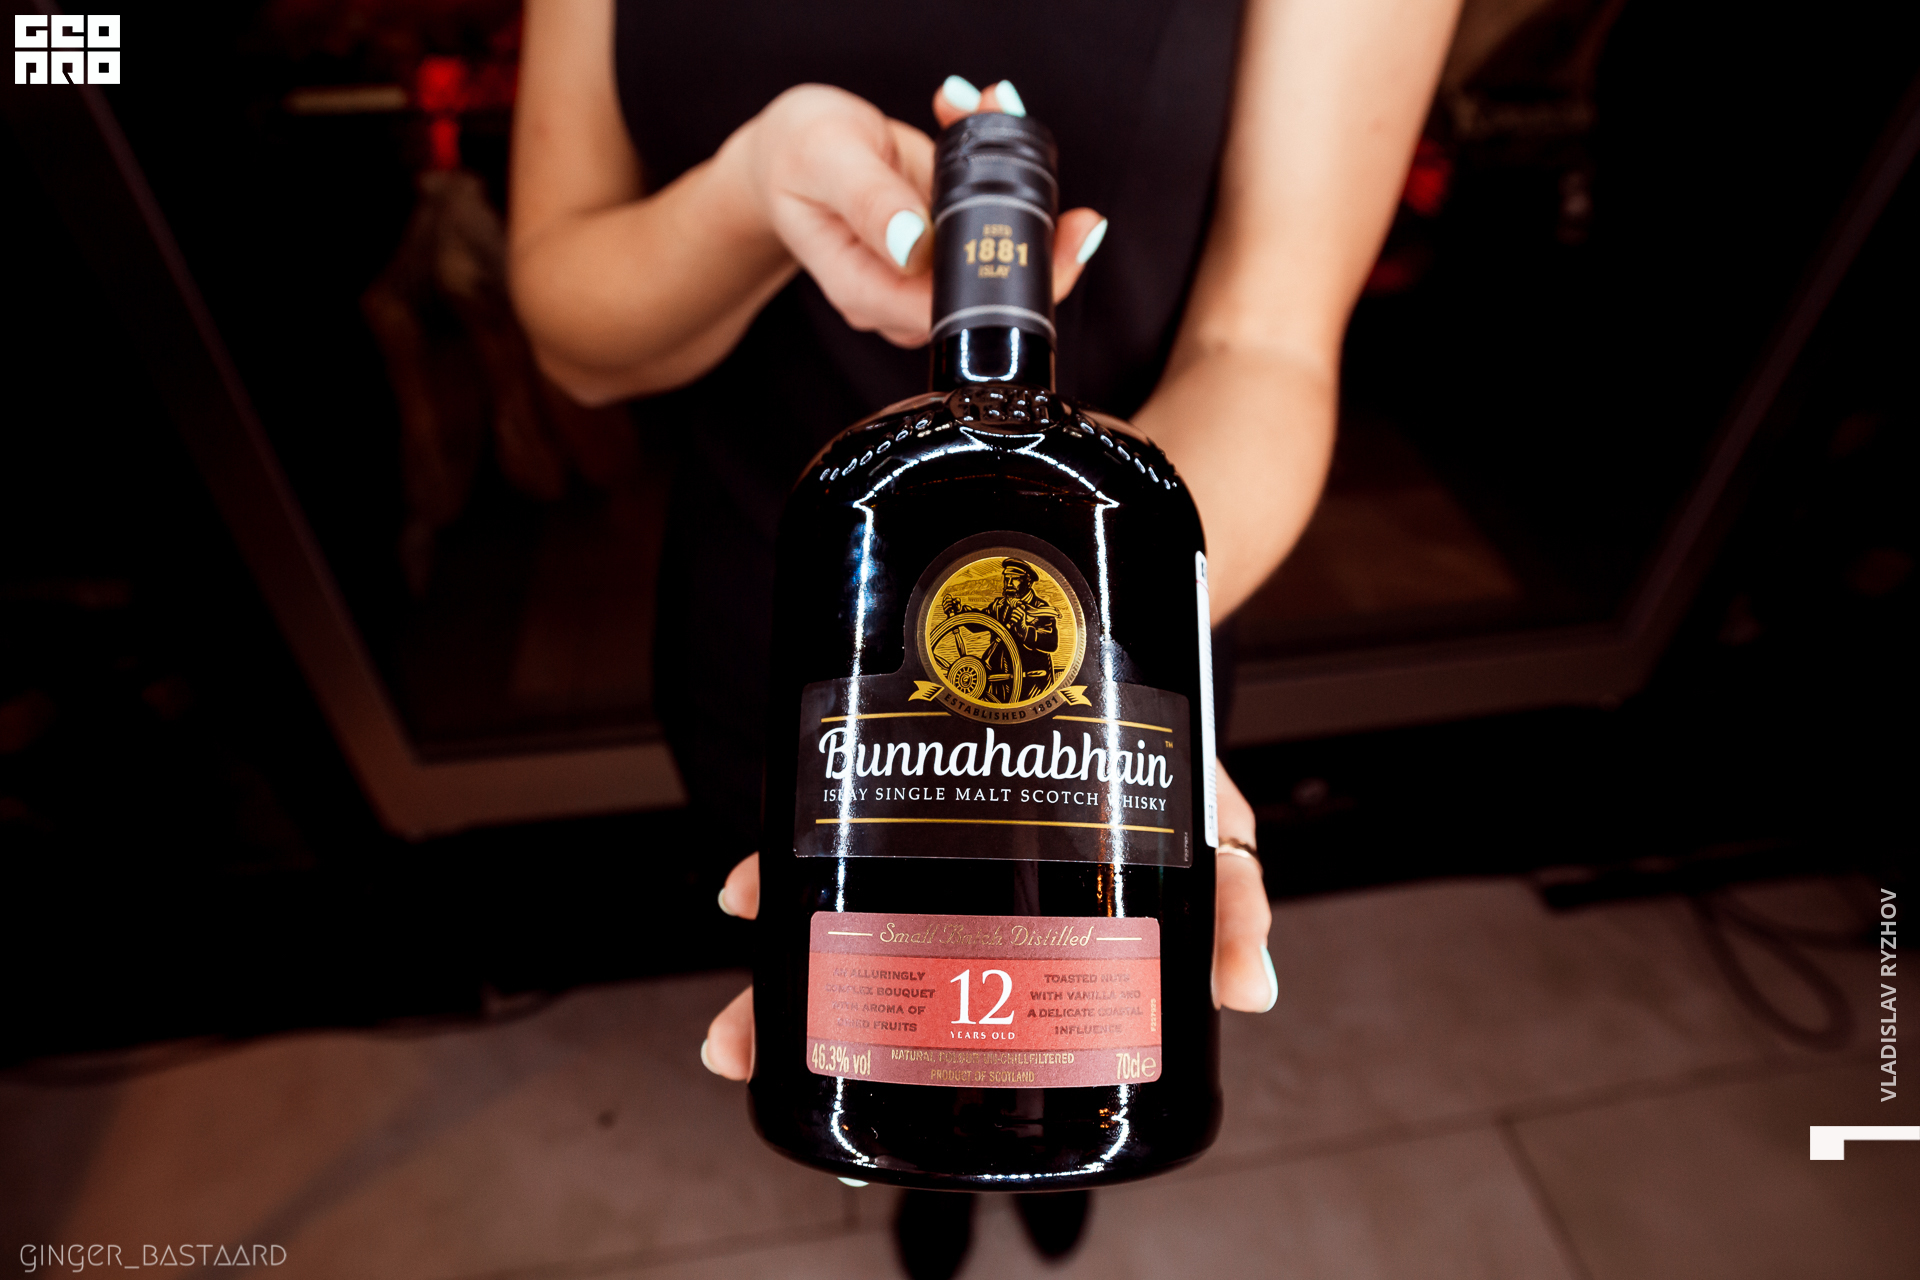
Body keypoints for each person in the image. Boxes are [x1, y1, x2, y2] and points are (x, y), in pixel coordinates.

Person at [509, 0, 1460, 1272]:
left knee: (1067, 1022)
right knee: (877, 1021)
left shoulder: (1117, 534)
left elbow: (1269, 346)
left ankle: (1048, 1164)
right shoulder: (840, 496)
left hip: (1114, 628)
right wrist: (753, 190)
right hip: (813, 643)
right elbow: (571, 336)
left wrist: (1107, 656)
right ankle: (939, 1189)